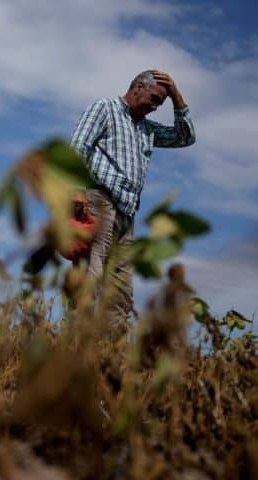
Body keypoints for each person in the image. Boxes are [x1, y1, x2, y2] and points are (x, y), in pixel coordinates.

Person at [68, 70, 196, 319]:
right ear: (138, 87)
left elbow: (185, 137)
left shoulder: (148, 129)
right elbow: (78, 145)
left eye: (162, 102)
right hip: (98, 203)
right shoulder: (104, 108)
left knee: (120, 293)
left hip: (127, 213)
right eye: (156, 98)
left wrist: (176, 97)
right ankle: (75, 348)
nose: (157, 106)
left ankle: (110, 354)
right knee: (89, 278)